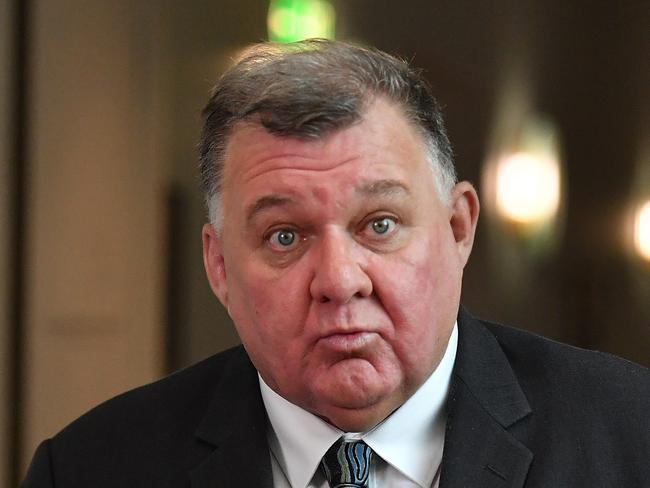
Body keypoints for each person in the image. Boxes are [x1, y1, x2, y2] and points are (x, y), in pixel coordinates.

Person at [23, 39, 649, 488]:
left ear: (459, 228)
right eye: (284, 237)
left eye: (379, 225)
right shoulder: (88, 468)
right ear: (218, 266)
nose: (339, 281)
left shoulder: (631, 436)